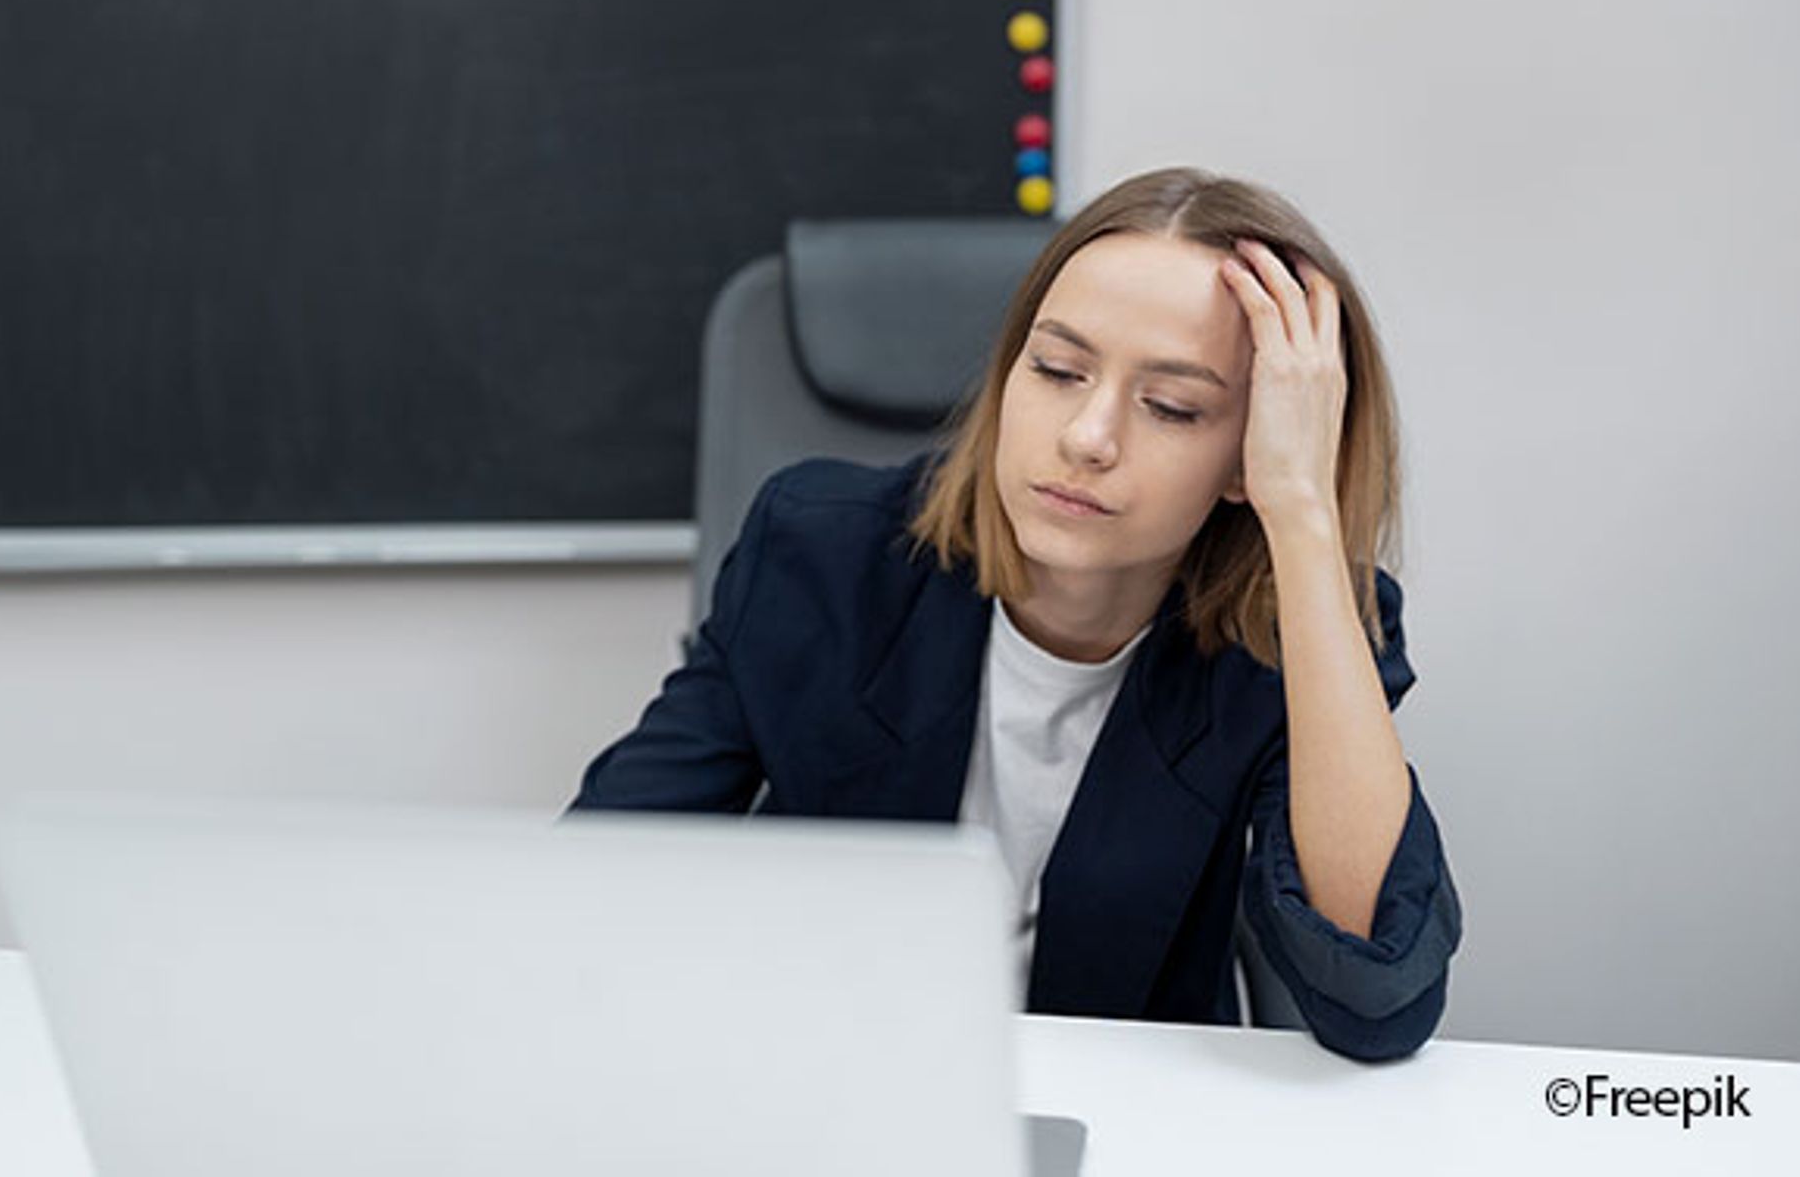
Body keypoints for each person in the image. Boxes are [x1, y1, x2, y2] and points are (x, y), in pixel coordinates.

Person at [572, 167, 1462, 1062]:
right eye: (1057, 369)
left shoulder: (1289, 636)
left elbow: (1375, 999)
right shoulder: (819, 556)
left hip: (1125, 1114)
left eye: (1172, 406)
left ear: (1248, 457)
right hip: (820, 1083)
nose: (1088, 437)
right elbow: (592, 889)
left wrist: (1302, 516)